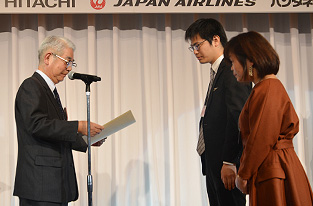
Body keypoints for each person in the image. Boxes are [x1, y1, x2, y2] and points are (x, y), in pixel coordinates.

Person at [224, 31, 313, 206]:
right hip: (273, 168)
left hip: (274, 170)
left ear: (249, 61)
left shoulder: (267, 87)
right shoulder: (264, 87)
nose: (232, 68)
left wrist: (243, 174)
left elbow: (261, 137)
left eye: (233, 61)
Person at [13, 36, 104, 206]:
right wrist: (78, 126)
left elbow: (53, 133)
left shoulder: (50, 90)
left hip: (55, 186)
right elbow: (36, 125)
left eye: (72, 63)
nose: (69, 68)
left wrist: (85, 140)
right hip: (40, 186)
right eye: (67, 61)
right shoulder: (31, 86)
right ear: (48, 57)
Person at [185, 18, 251, 206]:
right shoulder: (218, 71)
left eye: (197, 45)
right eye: (193, 48)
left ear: (215, 40)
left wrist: (230, 161)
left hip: (227, 164)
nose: (195, 52)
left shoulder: (231, 69)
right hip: (215, 162)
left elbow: (238, 117)